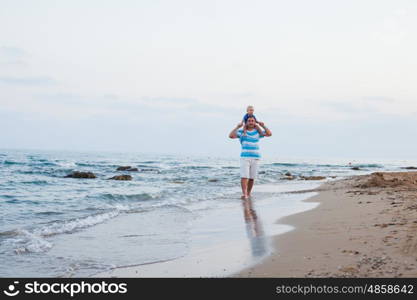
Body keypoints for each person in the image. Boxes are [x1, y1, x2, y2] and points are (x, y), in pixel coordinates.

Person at [229, 116, 272, 199]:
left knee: (252, 178)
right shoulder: (241, 132)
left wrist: (263, 126)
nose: (251, 122)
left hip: (255, 157)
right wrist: (237, 127)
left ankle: (248, 193)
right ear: (246, 122)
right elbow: (231, 135)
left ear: (255, 122)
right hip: (245, 157)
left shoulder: (258, 132)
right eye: (249, 121)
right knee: (244, 176)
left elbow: (269, 134)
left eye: (252, 121)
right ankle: (244, 194)